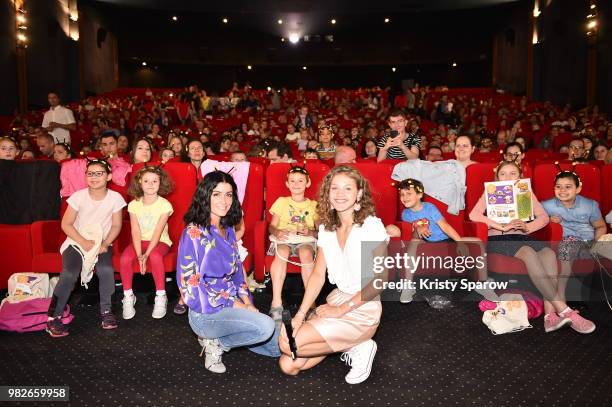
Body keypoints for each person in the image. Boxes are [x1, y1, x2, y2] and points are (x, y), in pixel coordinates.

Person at [278, 165, 388, 384]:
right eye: (334, 188)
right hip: (337, 298)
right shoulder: (327, 229)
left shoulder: (371, 226)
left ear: (358, 193)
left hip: (362, 307)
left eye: (347, 189)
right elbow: (318, 275)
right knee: (288, 365)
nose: (339, 194)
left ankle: (359, 343)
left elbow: (379, 281)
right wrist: (300, 314)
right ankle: (353, 343)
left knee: (289, 343)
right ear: (327, 193)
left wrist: (340, 310)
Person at [469, 161, 594, 333]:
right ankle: (565, 310)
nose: (507, 177)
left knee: (549, 253)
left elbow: (543, 217)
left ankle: (550, 316)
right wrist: (500, 226)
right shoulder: (490, 192)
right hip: (500, 238)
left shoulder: (525, 192)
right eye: (502, 174)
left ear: (520, 176)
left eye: (513, 173)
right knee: (528, 253)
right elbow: (473, 214)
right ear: (497, 177)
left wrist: (528, 227)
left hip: (523, 235)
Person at [176, 171, 279, 373]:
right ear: (205, 196)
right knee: (265, 327)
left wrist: (248, 303)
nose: (224, 201)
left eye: (229, 194)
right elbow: (190, 285)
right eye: (216, 194)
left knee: (277, 347)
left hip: (234, 301)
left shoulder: (228, 228)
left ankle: (226, 336)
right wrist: (238, 305)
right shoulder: (194, 232)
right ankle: (216, 344)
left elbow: (238, 275)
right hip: (206, 310)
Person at [46, 159, 126, 337]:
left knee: (106, 269)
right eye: (90, 173)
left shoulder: (115, 198)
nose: (94, 177)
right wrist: (83, 242)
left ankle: (107, 312)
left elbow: (116, 226)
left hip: (101, 242)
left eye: (99, 173)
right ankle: (53, 317)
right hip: (76, 242)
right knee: (69, 273)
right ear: (85, 177)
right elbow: (66, 224)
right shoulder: (78, 197)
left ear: (109, 176)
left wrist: (104, 244)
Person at [386, 179, 490, 302]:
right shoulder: (406, 214)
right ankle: (408, 285)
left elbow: (445, 226)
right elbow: (413, 237)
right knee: (413, 243)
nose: (404, 197)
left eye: (409, 194)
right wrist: (418, 229)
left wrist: (459, 242)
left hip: (444, 239)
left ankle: (483, 283)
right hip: (425, 241)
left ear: (419, 195)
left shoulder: (429, 207)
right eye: (402, 194)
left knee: (477, 241)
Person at [542, 170, 603, 334]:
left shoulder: (590, 205)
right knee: (565, 248)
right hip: (565, 242)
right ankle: (561, 303)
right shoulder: (546, 205)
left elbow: (600, 226)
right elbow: (536, 223)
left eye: (568, 187)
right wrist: (548, 219)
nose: (562, 191)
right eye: (558, 187)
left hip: (588, 243)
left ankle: (557, 308)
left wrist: (597, 244)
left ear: (578, 189)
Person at [120, 166, 174, 320]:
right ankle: (128, 295)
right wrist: (139, 255)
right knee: (125, 259)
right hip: (139, 242)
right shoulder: (134, 205)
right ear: (139, 182)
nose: (150, 184)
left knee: (156, 256)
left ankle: (161, 295)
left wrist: (147, 255)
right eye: (146, 181)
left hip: (160, 242)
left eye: (154, 181)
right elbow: (135, 232)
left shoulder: (165, 205)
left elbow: (157, 232)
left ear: (160, 183)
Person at [268, 166, 319, 322]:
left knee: (306, 253)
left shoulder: (313, 205)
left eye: (300, 181)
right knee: (282, 252)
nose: (296, 184)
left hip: (305, 241)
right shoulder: (281, 202)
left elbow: (319, 231)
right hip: (285, 239)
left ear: (308, 183)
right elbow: (272, 226)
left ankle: (311, 303)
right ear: (287, 184)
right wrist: (277, 232)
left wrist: (309, 232)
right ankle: (276, 302)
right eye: (292, 181)